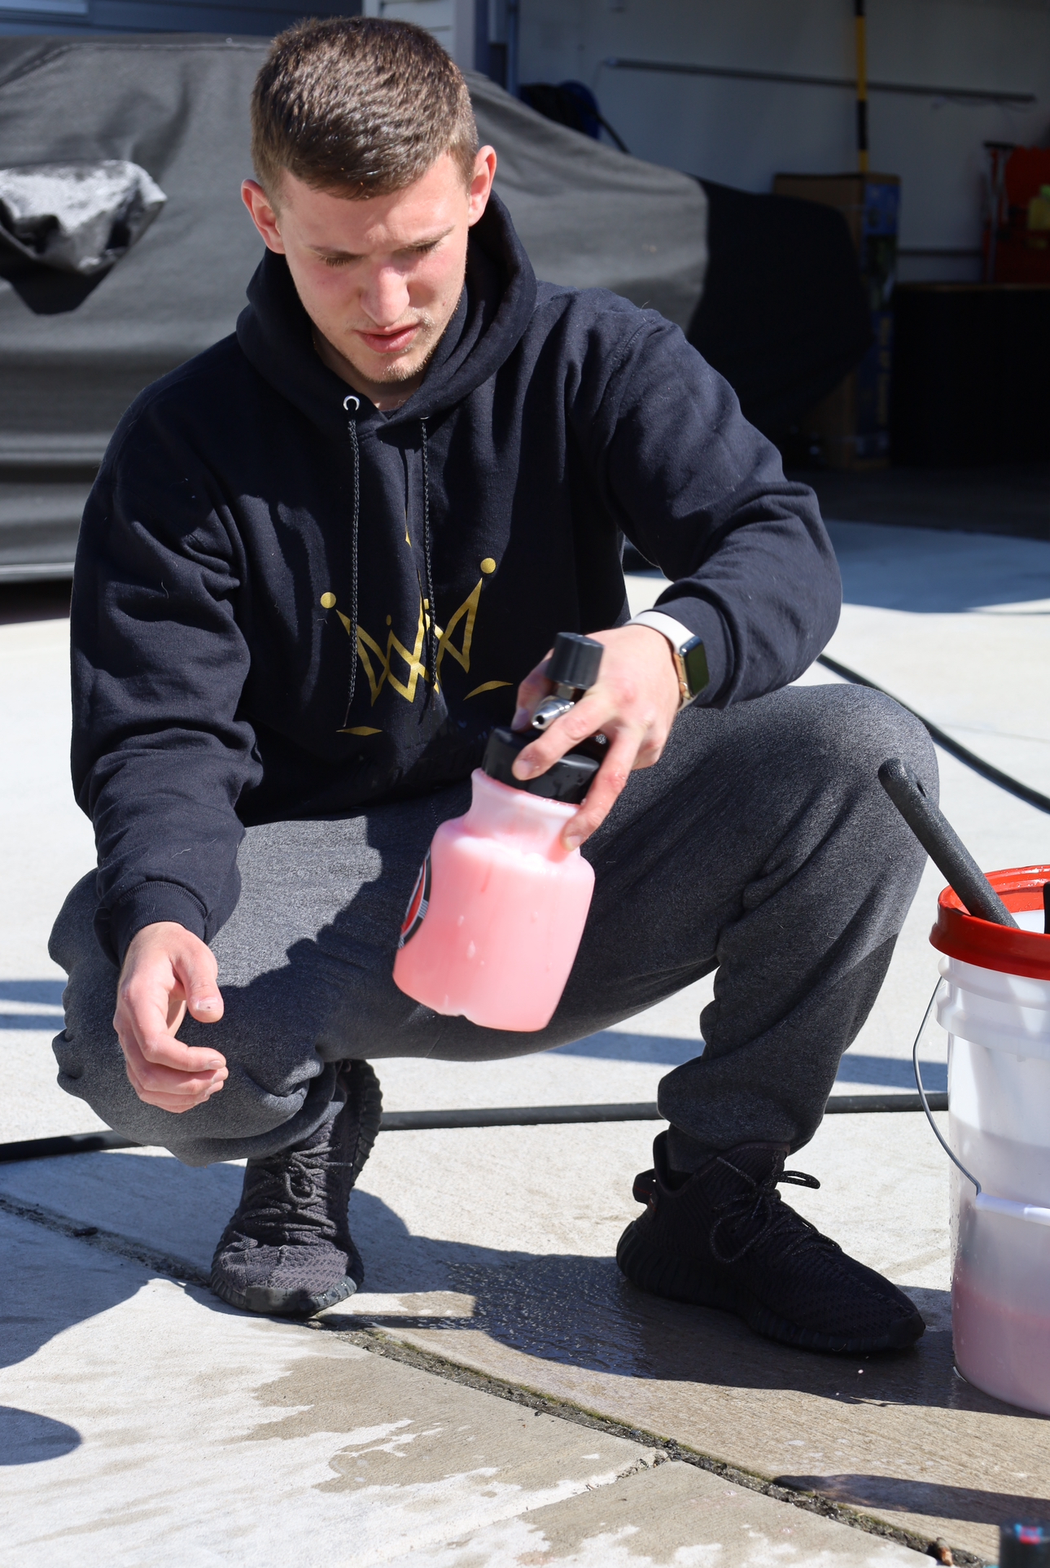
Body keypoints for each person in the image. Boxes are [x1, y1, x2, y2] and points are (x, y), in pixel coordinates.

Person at [51, 16, 934, 1353]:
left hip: (555, 848)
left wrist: (671, 647)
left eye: (415, 248)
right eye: (338, 256)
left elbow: (776, 546)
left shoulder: (600, 360)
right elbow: (160, 732)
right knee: (127, 1031)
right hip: (316, 878)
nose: (386, 299)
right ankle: (301, 1134)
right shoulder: (181, 445)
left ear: (476, 187)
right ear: (262, 215)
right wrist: (168, 910)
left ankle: (714, 1193)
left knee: (861, 755)